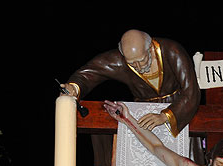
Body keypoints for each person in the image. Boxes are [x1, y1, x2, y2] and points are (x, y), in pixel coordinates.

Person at [63, 29, 200, 137]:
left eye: (142, 60)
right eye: (132, 63)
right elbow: (89, 73)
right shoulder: (119, 60)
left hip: (178, 109)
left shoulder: (172, 51)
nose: (139, 67)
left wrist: (165, 116)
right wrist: (74, 87)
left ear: (150, 48)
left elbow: (191, 92)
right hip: (142, 114)